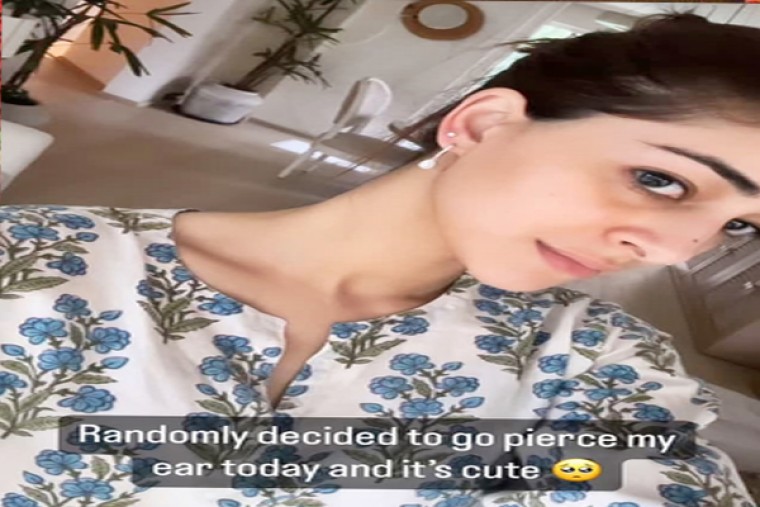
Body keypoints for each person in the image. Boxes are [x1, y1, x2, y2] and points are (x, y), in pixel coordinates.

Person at [1, 11, 758, 507]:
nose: (671, 250)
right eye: (661, 180)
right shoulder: (34, 259)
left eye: (738, 225)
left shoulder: (598, 358)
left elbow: (653, 474)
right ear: (482, 125)